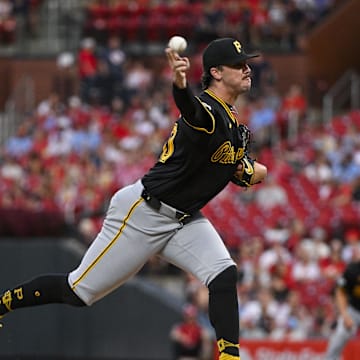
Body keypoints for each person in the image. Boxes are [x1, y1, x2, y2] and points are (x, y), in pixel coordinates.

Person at [0, 38, 267, 360]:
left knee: (223, 272)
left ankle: (230, 356)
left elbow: (250, 171)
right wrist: (180, 84)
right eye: (239, 64)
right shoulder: (208, 110)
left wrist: (248, 168)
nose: (247, 68)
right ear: (216, 72)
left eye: (246, 62)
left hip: (184, 218)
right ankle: (4, 303)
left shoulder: (235, 124)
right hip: (143, 213)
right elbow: (190, 108)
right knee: (78, 292)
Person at [324, 245, 360, 360]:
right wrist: (345, 315)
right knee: (338, 340)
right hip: (354, 310)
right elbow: (340, 292)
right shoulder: (352, 269)